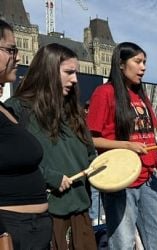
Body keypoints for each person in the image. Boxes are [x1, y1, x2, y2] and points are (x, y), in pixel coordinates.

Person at [5, 43, 96, 249]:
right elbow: (11, 164)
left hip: (81, 214)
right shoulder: (18, 108)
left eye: (76, 73)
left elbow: (90, 156)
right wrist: (50, 177)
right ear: (49, 70)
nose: (75, 79)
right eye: (68, 72)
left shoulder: (75, 113)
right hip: (44, 217)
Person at [86, 42, 157, 249]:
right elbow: (90, 139)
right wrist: (126, 145)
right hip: (121, 181)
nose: (143, 67)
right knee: (123, 243)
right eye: (138, 62)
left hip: (149, 179)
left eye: (145, 62)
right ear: (121, 64)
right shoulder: (104, 92)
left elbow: (149, 134)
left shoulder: (142, 96)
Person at [0, 19, 52, 250]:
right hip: (12, 230)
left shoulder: (5, 110)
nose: (18, 57)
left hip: (31, 229)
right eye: (11, 49)